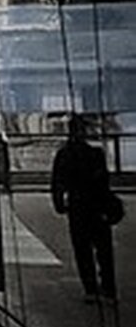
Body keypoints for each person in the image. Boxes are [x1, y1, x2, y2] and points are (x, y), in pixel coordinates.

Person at [50, 114, 118, 303]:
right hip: (96, 205)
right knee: (103, 249)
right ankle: (108, 289)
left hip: (77, 205)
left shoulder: (64, 154)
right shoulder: (96, 154)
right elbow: (103, 182)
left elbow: (57, 182)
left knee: (82, 249)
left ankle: (90, 288)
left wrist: (59, 203)